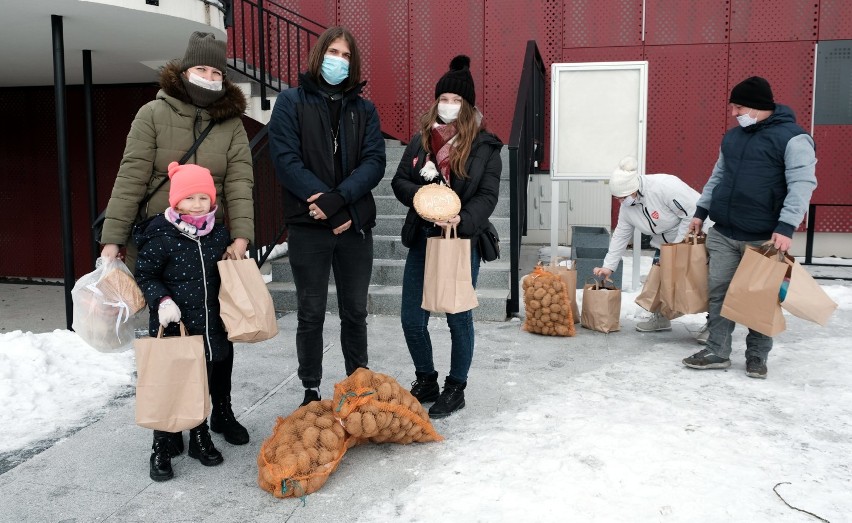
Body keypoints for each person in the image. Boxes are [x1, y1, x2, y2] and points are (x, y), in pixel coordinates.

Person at [98, 32, 253, 458]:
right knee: (171, 333)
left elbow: (240, 181)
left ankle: (218, 410)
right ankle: (170, 426)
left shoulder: (232, 124)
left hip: (211, 242)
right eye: (201, 69)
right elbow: (130, 175)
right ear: (184, 71)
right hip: (159, 238)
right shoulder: (152, 113)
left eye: (217, 71)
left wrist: (241, 236)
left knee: (216, 332)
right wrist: (113, 240)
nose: (208, 77)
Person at [268, 27, 386, 407]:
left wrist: (339, 202)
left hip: (352, 224)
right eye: (333, 51)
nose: (339, 59)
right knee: (311, 311)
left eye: (347, 55)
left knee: (355, 311)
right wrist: (324, 202)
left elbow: (374, 163)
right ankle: (310, 388)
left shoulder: (364, 110)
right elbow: (286, 161)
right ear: (319, 55)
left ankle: (358, 381)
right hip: (308, 226)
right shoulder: (290, 103)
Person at [682, 76, 817, 379]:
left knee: (761, 297)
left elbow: (802, 185)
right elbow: (718, 175)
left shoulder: (794, 139)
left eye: (739, 107)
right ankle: (717, 350)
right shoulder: (732, 138)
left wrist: (786, 227)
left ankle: (757, 356)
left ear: (758, 107)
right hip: (724, 231)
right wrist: (701, 211)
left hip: (764, 237)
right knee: (718, 294)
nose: (734, 113)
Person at [392, 55, 502, 419]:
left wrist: (462, 217)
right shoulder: (421, 139)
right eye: (444, 99)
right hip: (423, 235)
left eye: (457, 100)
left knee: (458, 317)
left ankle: (457, 387)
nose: (449, 105)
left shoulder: (485, 146)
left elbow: (488, 196)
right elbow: (399, 181)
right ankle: (426, 380)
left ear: (468, 105)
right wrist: (423, 199)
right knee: (411, 318)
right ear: (436, 101)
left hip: (460, 239)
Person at [133, 162, 235, 481]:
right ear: (175, 201)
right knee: (168, 384)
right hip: (175, 324)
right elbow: (146, 274)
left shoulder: (217, 234)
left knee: (199, 383)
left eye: (203, 198)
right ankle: (161, 444)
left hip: (208, 326)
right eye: (190, 198)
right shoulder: (161, 234)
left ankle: (199, 434)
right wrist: (162, 300)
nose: (197, 205)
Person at [593, 157, 710, 340]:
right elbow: (621, 236)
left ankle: (714, 325)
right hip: (665, 243)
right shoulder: (627, 208)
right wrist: (608, 266)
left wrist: (677, 248)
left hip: (696, 235)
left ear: (634, 190)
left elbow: (691, 214)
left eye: (623, 197)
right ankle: (662, 318)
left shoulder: (664, 186)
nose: (620, 202)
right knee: (659, 279)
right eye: (617, 199)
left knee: (701, 281)